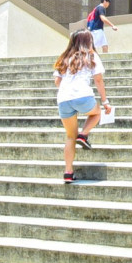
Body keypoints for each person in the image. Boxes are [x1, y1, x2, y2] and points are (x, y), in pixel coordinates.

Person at [53, 30, 111, 184]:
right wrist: (105, 102)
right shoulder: (91, 56)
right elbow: (98, 80)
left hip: (63, 100)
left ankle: (68, 172)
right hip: (83, 96)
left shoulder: (65, 57)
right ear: (88, 41)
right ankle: (84, 134)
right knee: (97, 112)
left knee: (70, 136)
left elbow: (57, 82)